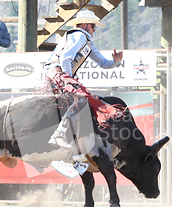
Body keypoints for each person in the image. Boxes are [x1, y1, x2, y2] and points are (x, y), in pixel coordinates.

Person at [44, 9, 124, 173]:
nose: (94, 29)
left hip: (59, 73)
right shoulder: (79, 35)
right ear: (85, 25)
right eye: (93, 26)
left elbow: (102, 63)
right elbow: (66, 58)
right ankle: (59, 134)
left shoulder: (86, 41)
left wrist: (115, 62)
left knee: (83, 103)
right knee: (81, 98)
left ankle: (72, 147)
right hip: (57, 71)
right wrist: (69, 79)